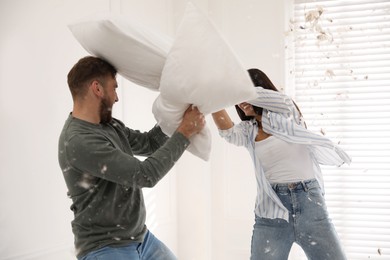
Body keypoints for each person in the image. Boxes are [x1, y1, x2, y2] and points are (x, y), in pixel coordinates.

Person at [58, 56, 205, 260]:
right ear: (97, 89)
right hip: (105, 247)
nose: (116, 97)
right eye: (114, 87)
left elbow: (149, 143)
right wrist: (185, 131)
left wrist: (174, 113)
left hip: (140, 238)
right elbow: (145, 175)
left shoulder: (109, 126)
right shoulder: (79, 141)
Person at [212, 68, 351, 260]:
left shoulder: (287, 113)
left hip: (310, 204)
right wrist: (208, 96)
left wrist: (235, 87)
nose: (240, 100)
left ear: (261, 90)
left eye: (245, 92)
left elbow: (281, 100)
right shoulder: (249, 130)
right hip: (272, 212)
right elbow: (228, 132)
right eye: (237, 96)